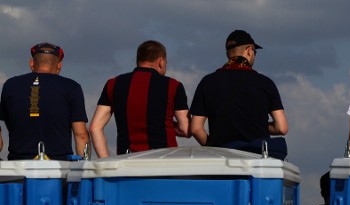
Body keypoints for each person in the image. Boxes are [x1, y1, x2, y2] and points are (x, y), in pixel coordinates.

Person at [190, 29, 289, 158]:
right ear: (249, 50)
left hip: (222, 160)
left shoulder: (207, 82)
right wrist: (253, 122)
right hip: (257, 160)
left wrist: (214, 150)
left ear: (228, 54)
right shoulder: (265, 83)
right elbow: (281, 128)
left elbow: (195, 129)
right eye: (255, 52)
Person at [89, 40, 189, 157]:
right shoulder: (173, 86)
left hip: (127, 160)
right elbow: (185, 129)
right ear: (160, 61)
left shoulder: (113, 84)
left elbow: (95, 128)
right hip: (164, 160)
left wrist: (106, 163)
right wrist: (160, 123)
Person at [0, 42, 88, 160]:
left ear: (31, 63)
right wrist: (84, 166)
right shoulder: (71, 87)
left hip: (18, 166)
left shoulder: (10, 85)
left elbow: (9, 123)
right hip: (58, 166)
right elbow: (81, 135)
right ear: (59, 66)